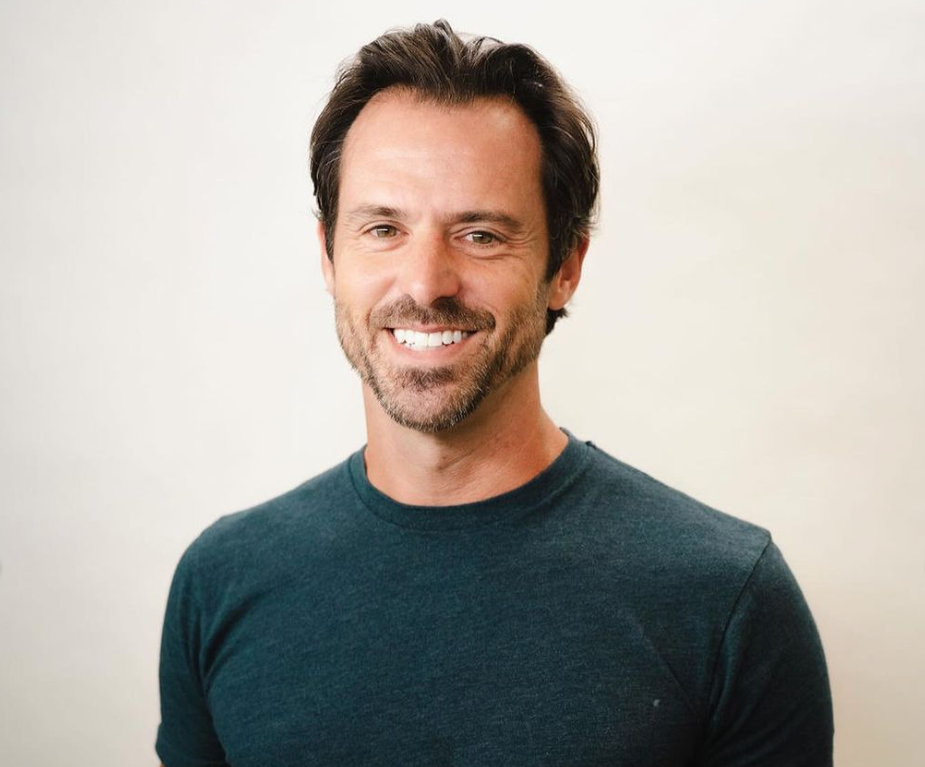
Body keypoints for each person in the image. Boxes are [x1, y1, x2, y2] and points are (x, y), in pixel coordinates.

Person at [156, 20, 833, 767]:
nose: (424, 283)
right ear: (328, 254)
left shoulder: (724, 600)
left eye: (479, 234)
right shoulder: (221, 582)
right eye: (382, 227)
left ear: (565, 264)